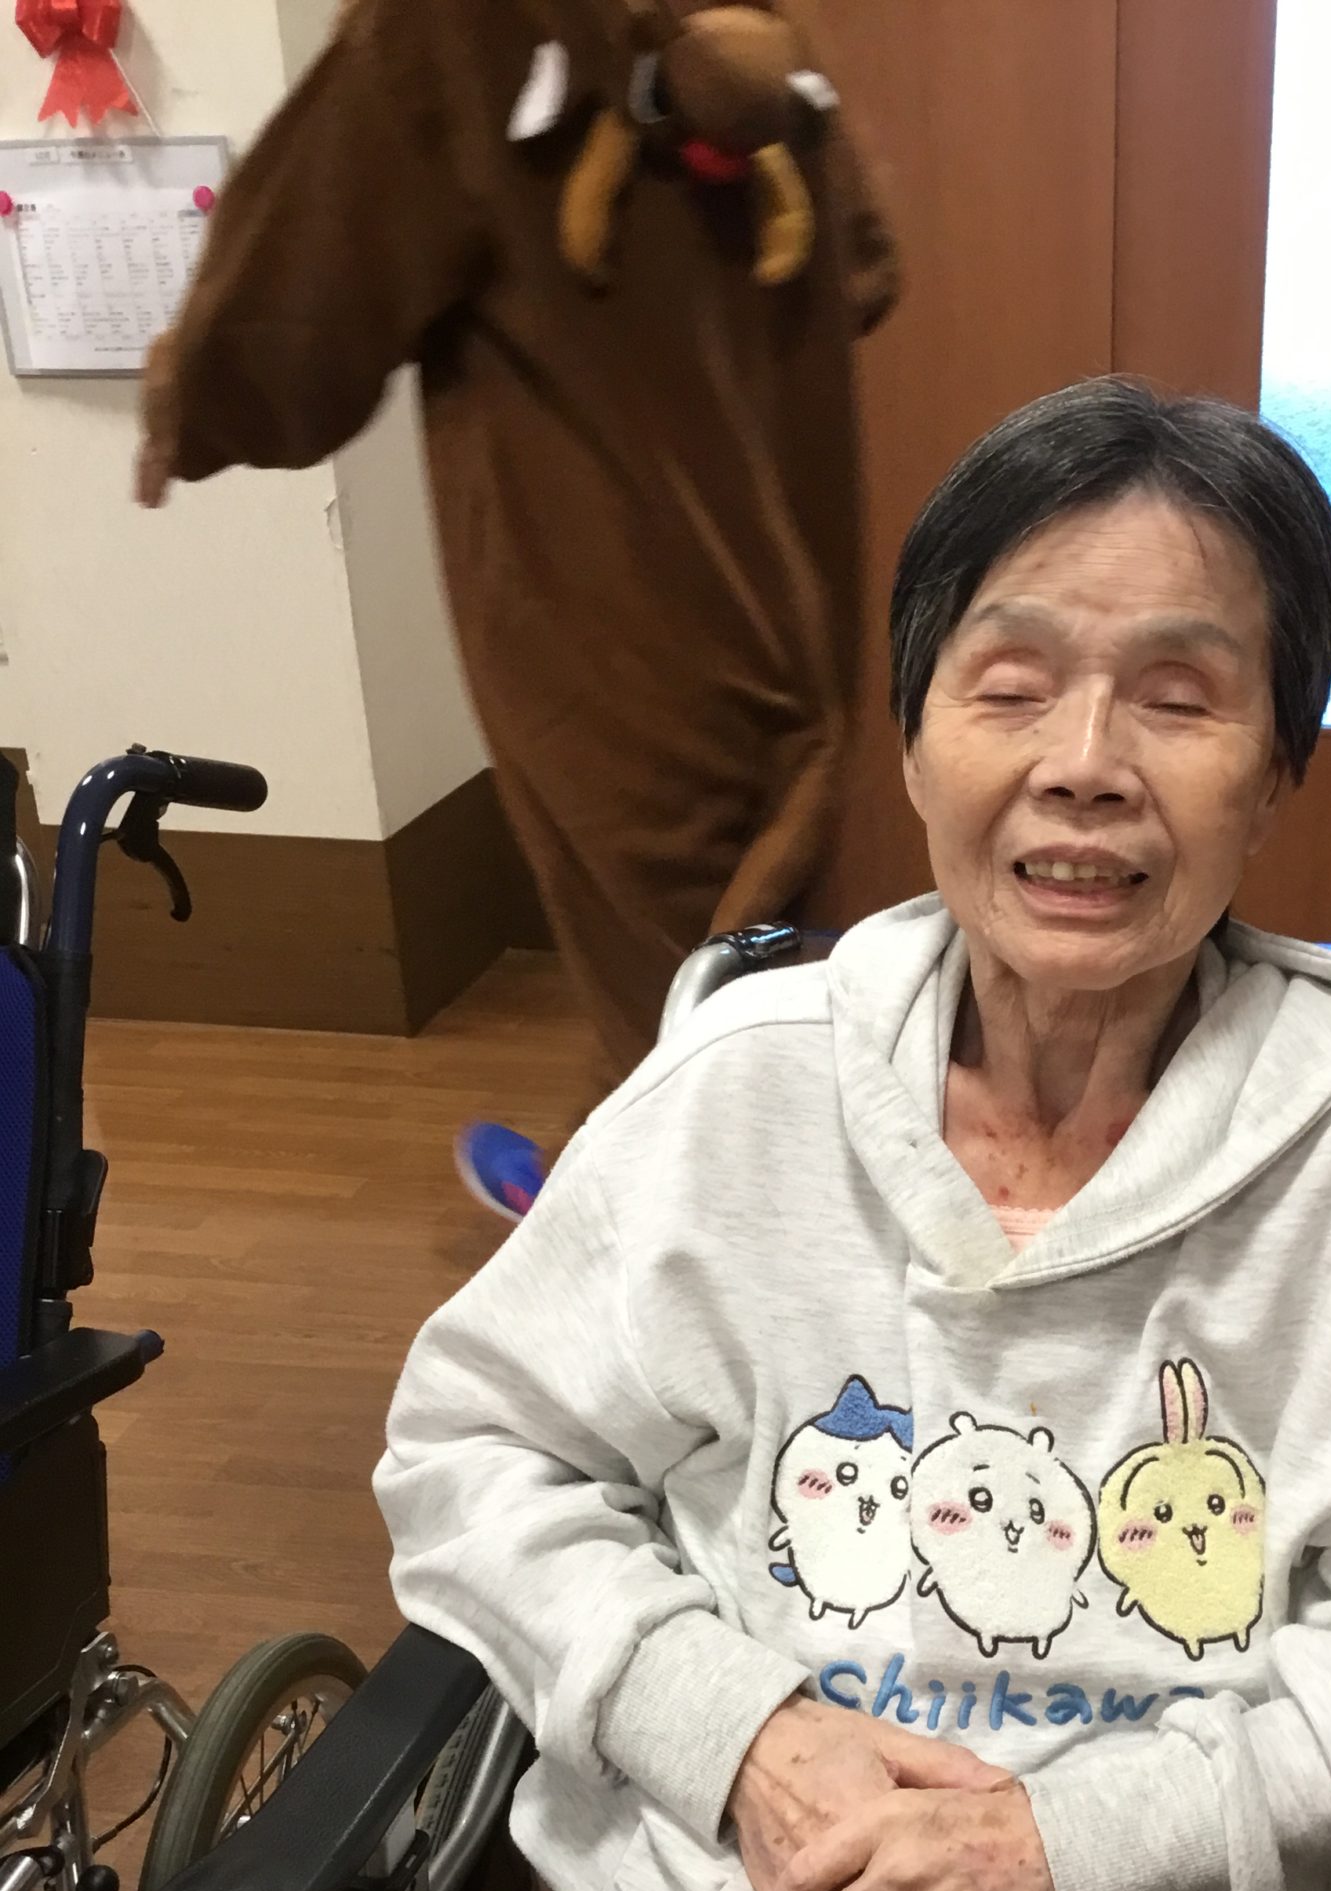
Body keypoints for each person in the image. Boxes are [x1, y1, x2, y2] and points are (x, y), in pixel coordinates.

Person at [374, 378, 1331, 1891]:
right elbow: (472, 1450)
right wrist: (736, 1730)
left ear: (1276, 772)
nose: (1084, 764)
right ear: (916, 743)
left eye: (1180, 697)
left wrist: (1091, 1843)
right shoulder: (735, 1091)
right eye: (1009, 686)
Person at [136, 0, 898, 1216]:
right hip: (791, 584)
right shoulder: (763, 17)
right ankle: (643, 1174)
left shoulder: (458, 22)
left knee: (673, 1004)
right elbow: (864, 262)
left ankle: (650, 1245)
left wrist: (189, 393)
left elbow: (293, 321)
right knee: (744, 955)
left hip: (603, 612)